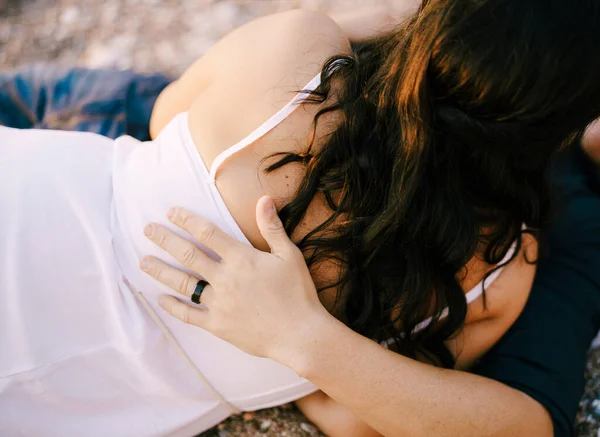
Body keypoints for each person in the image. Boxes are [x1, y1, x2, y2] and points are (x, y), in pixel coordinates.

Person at [0, 3, 599, 437]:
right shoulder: (493, 277)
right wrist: (303, 344)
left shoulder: (299, 49)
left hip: (34, 199)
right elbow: (354, 419)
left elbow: (164, 117)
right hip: (91, 402)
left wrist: (389, 41)